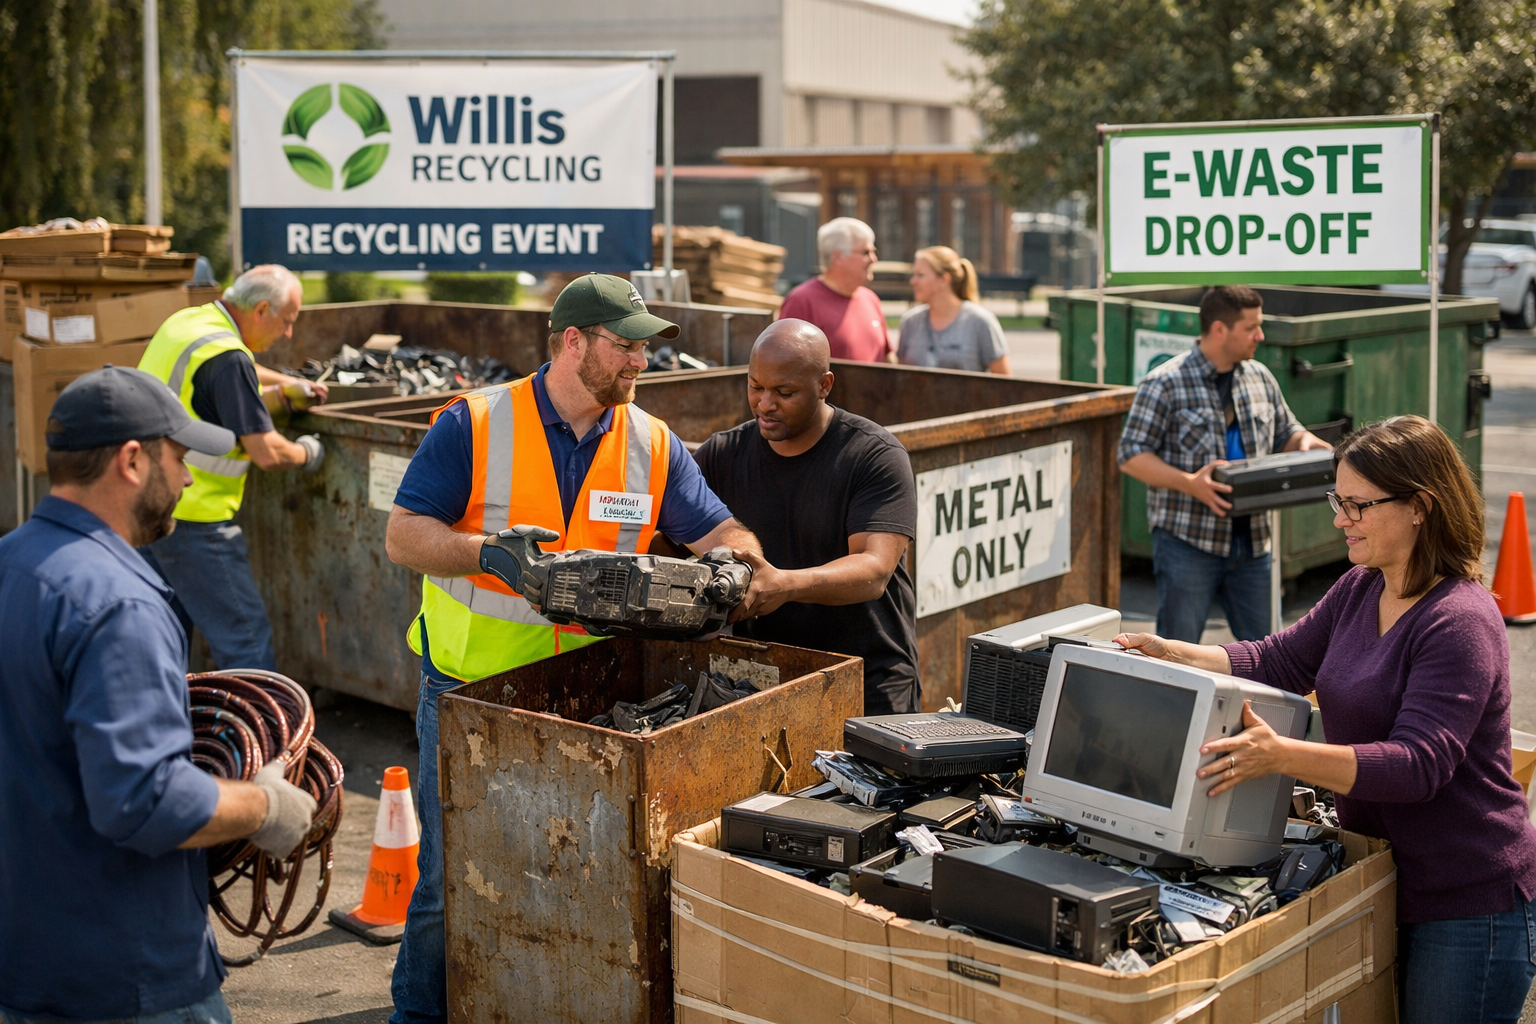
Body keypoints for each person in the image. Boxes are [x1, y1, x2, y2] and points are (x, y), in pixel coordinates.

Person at [382, 273, 763, 1024]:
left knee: (565, 875)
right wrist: (490, 554)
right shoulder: (474, 423)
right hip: (472, 691)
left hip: (590, 696)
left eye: (645, 349)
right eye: (627, 347)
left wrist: (738, 561)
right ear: (573, 342)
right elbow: (403, 537)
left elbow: (722, 530)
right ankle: (418, 1016)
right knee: (451, 877)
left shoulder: (650, 441)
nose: (641, 363)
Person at [1116, 415, 1536, 1024]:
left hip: (1467, 904)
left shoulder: (1459, 620)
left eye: (1358, 505)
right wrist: (1173, 651)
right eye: (1339, 501)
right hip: (1383, 876)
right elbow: (1278, 660)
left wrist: (1281, 755)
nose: (1341, 519)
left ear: (1420, 507)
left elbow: (1419, 765)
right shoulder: (1361, 586)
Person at [0, 368, 317, 1023]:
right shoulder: (119, 604)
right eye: (180, 457)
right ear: (132, 461)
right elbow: (145, 801)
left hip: (25, 957)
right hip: (126, 974)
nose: (189, 479)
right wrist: (265, 805)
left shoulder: (12, 562)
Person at [695, 319, 921, 714]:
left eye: (785, 392)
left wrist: (784, 585)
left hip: (869, 682)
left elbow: (874, 570)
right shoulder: (721, 455)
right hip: (766, 681)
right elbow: (668, 535)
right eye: (755, 386)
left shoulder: (874, 456)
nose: (765, 403)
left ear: (824, 385)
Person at [137, 264, 327, 671]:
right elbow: (267, 452)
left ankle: (174, 711)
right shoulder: (228, 357)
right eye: (287, 321)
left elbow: (237, 371)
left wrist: (287, 383)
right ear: (261, 310)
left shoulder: (188, 323)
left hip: (146, 505)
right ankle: (260, 715)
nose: (288, 333)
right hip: (196, 520)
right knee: (245, 641)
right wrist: (309, 453)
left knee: (165, 636)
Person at [1117, 285, 1331, 641]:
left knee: (1268, 654)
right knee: (1177, 653)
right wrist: (1190, 483)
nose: (1260, 336)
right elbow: (1131, 455)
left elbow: (1286, 431)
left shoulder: (1260, 376)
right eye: (1251, 328)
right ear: (1219, 329)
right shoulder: (1164, 383)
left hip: (1254, 543)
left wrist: (1304, 441)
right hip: (1188, 542)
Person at [777, 216, 892, 363]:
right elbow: (785, 364)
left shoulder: (870, 299)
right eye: (865, 252)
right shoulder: (801, 302)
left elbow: (888, 357)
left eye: (873, 251)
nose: (873, 259)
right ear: (838, 257)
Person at [897, 245, 1010, 374]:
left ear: (944, 279)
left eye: (920, 275)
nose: (913, 281)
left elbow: (1004, 379)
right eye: (914, 275)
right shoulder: (911, 322)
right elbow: (900, 376)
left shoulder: (979, 321)